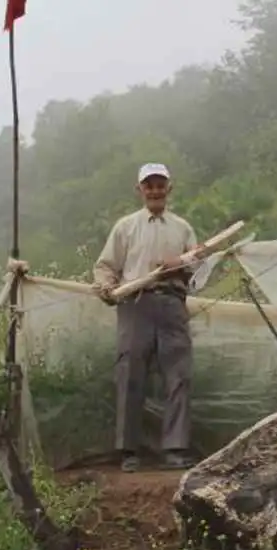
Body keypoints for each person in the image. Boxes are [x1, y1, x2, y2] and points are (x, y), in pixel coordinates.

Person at [92, 163, 201, 473]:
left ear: (169, 188)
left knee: (178, 375)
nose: (155, 190)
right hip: (134, 304)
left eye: (160, 184)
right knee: (130, 375)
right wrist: (106, 286)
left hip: (172, 304)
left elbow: (199, 270)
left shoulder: (182, 228)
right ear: (139, 189)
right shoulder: (126, 227)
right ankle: (128, 451)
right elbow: (105, 266)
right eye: (149, 185)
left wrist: (177, 265)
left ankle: (176, 450)